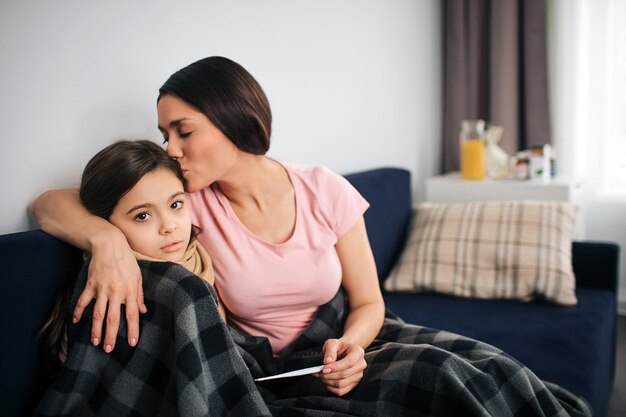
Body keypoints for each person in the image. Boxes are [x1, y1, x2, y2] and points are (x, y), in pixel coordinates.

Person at [31, 57, 594, 417]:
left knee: (489, 365)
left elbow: (370, 302)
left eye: (184, 131)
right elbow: (50, 202)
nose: (171, 148)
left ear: (231, 120)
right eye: (164, 134)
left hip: (346, 339)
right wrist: (105, 243)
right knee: (440, 378)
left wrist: (352, 346)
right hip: (268, 368)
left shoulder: (324, 188)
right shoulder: (183, 202)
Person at [37, 139, 218, 367]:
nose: (169, 226)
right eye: (142, 216)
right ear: (105, 222)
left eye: (175, 205)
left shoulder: (198, 258)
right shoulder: (110, 285)